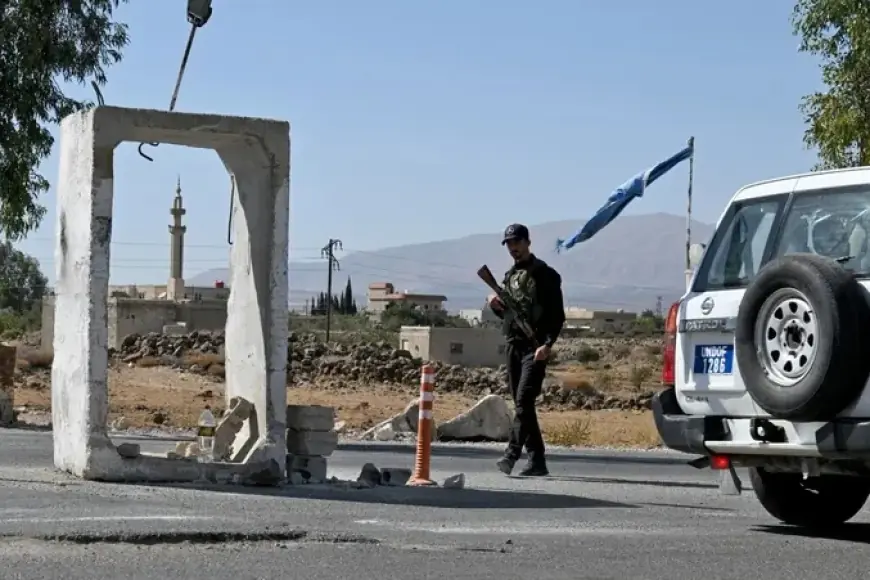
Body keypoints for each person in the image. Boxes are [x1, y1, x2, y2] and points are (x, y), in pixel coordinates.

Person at [487, 223, 566, 477]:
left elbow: (557, 315)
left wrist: (547, 344)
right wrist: (495, 305)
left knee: (523, 400)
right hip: (514, 345)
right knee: (523, 405)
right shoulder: (510, 277)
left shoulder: (545, 274)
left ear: (527, 242)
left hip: (536, 347)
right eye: (509, 244)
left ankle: (511, 455)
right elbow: (508, 316)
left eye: (517, 242)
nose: (513, 248)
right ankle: (537, 461)